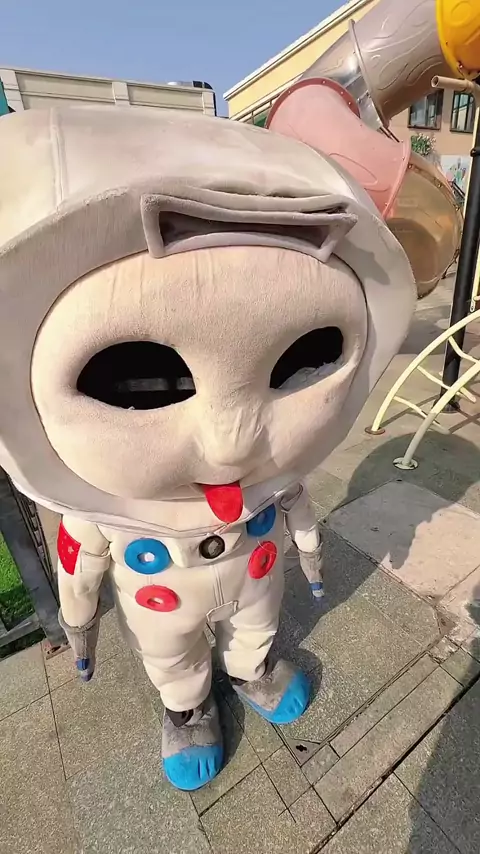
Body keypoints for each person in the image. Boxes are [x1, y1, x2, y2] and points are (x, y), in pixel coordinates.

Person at [0, 105, 415, 790]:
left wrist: (310, 555)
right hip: (162, 587)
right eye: (139, 379)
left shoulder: (274, 476)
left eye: (301, 363)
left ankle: (252, 668)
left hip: (255, 572)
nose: (229, 446)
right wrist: (80, 623)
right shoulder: (106, 507)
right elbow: (81, 559)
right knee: (171, 653)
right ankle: (187, 707)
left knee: (258, 619)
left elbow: (299, 510)